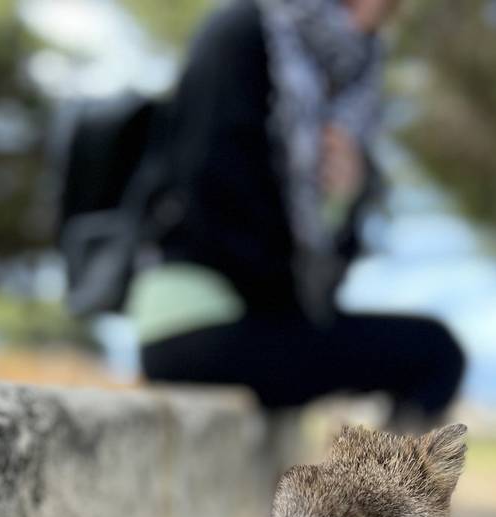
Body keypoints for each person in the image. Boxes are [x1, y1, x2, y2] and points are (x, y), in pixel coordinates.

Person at [127, 0, 465, 430]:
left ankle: (365, 496)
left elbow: (333, 261)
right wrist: (300, 288)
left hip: (270, 315)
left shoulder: (351, 83)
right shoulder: (244, 30)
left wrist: (343, 196)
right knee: (433, 353)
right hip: (194, 320)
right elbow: (211, 200)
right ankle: (370, 499)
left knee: (433, 353)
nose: (363, 21)